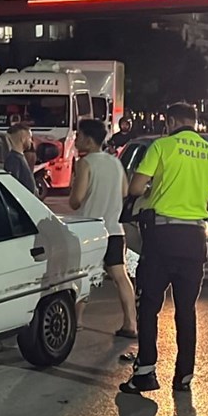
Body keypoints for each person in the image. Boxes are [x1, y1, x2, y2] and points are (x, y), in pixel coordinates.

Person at [121, 103, 208, 395]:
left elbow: (136, 188)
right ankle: (185, 375)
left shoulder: (162, 146)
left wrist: (156, 190)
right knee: (186, 310)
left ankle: (146, 372)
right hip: (194, 240)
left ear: (173, 121)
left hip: (162, 237)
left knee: (149, 306)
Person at [69, 119, 137, 338]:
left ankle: (77, 321)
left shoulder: (85, 163)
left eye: (79, 136)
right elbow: (125, 191)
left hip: (90, 231)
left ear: (89, 140)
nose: (76, 139)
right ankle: (130, 323)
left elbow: (76, 199)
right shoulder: (115, 162)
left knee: (83, 275)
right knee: (120, 275)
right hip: (114, 229)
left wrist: (74, 193)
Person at [4, 124, 36, 195]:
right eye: (30, 137)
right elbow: (14, 188)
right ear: (23, 138)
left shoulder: (18, 157)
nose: (31, 141)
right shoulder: (13, 160)